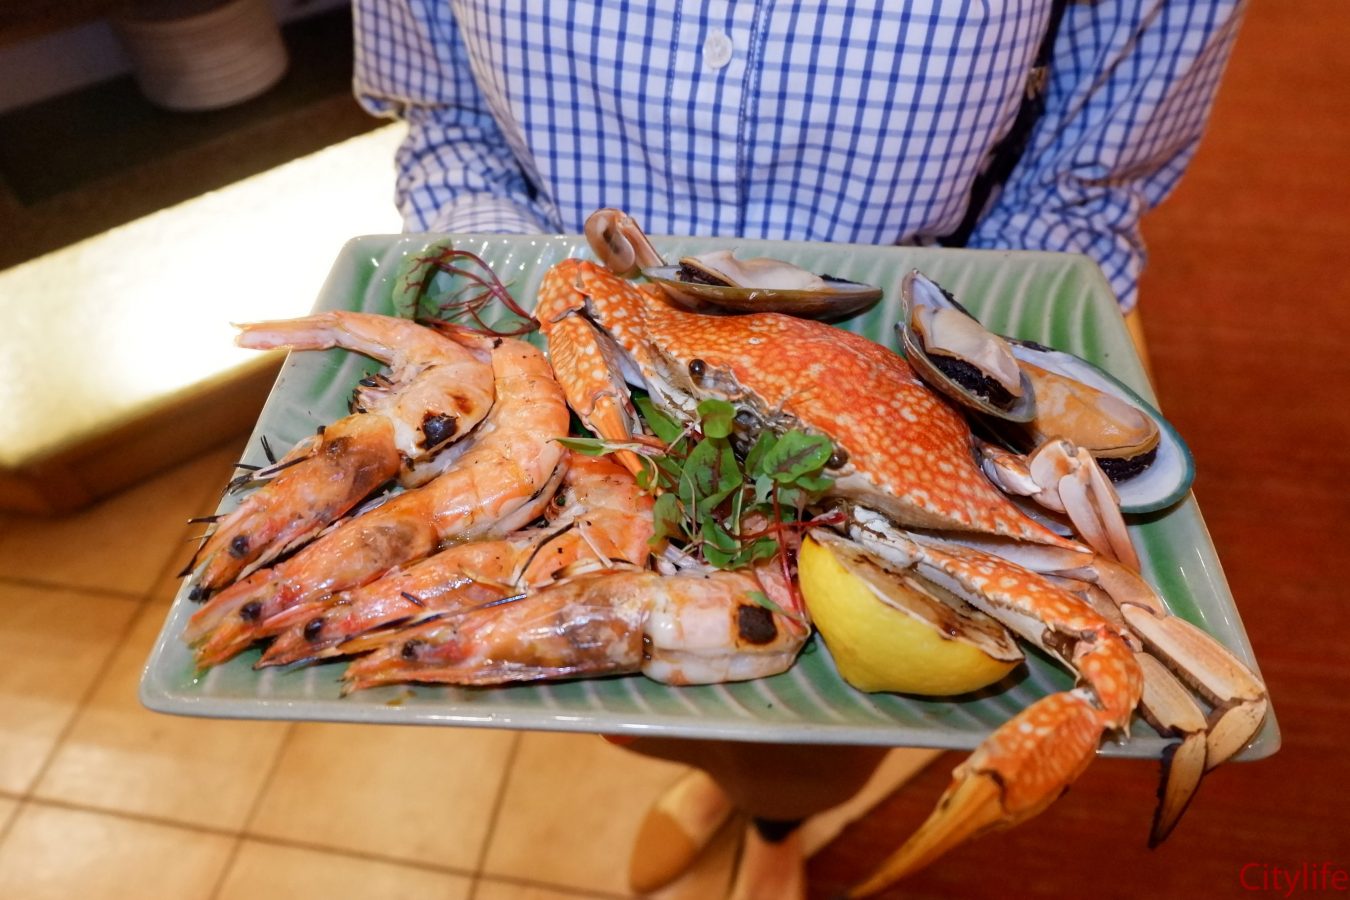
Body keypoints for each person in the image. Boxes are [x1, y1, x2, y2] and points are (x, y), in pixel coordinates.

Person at [350, 2, 1247, 896]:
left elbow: (1083, 183)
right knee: (635, 692)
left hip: (912, 430)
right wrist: (615, 429)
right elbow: (484, 169)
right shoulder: (643, 327)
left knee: (836, 743)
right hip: (683, 338)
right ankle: (718, 783)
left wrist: (992, 365)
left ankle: (778, 821)